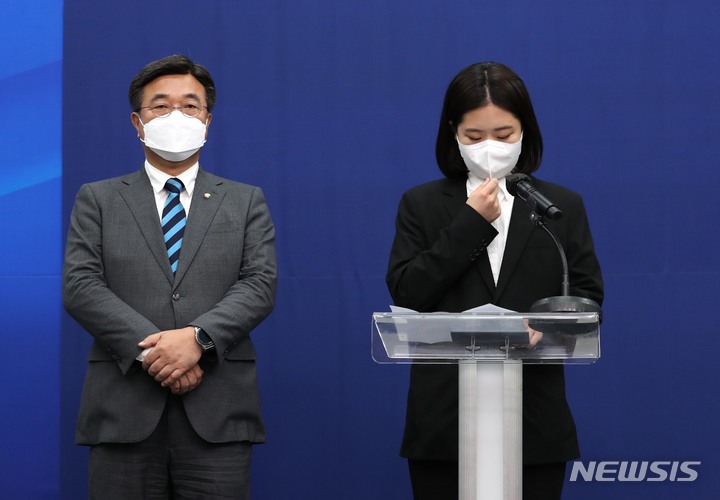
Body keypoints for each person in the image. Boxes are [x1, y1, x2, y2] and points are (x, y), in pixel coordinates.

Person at [63, 54, 277, 499]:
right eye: (160, 106)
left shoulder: (245, 201)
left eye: (190, 106)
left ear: (207, 121)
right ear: (137, 123)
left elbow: (258, 285)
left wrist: (196, 340)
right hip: (123, 411)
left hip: (217, 413)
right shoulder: (98, 199)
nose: (176, 116)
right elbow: (81, 287)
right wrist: (157, 353)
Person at [386, 62, 603, 500]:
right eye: (474, 136)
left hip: (534, 418)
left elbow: (588, 298)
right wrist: (469, 223)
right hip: (445, 419)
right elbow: (407, 290)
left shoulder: (559, 206)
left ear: (525, 131)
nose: (490, 147)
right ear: (453, 132)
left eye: (503, 135)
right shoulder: (422, 204)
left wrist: (549, 327)